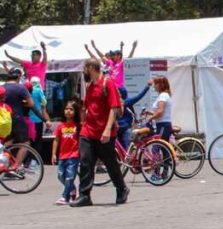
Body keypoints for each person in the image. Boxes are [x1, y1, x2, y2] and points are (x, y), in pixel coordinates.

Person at [72, 58, 129, 207]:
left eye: (85, 68)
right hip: (89, 131)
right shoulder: (90, 86)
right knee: (85, 162)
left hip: (104, 132)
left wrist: (108, 129)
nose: (83, 71)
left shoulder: (107, 83)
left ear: (91, 67)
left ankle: (121, 189)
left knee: (110, 163)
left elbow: (114, 107)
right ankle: (84, 195)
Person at [1, 68, 34, 170]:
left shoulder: (2, 87)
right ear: (19, 77)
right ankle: (16, 165)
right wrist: (21, 103)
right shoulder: (21, 88)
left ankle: (5, 164)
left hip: (4, 120)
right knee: (25, 143)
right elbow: (31, 104)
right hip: (17, 118)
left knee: (7, 143)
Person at [52, 99, 81, 205]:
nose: (68, 111)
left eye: (71, 109)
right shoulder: (61, 126)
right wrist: (53, 154)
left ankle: (65, 196)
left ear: (75, 112)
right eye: (66, 109)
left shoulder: (77, 126)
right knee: (60, 175)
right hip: (62, 155)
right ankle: (72, 188)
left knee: (70, 176)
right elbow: (56, 140)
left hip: (73, 155)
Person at [117, 81, 152, 150]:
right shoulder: (127, 101)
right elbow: (139, 96)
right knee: (127, 149)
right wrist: (147, 87)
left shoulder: (120, 102)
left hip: (119, 128)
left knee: (122, 149)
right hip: (126, 128)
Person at [27, 76, 50, 159]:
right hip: (38, 119)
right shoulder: (38, 90)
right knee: (38, 140)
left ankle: (28, 158)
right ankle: (35, 159)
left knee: (29, 139)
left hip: (28, 119)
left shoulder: (27, 90)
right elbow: (44, 102)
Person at [146, 76, 174, 140]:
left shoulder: (163, 96)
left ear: (161, 85)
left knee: (156, 147)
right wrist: (150, 113)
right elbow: (162, 111)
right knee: (163, 147)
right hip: (163, 124)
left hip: (163, 125)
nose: (154, 86)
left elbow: (160, 112)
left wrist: (150, 118)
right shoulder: (164, 95)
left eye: (156, 84)